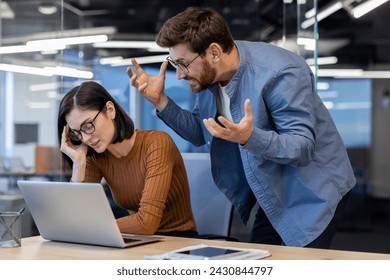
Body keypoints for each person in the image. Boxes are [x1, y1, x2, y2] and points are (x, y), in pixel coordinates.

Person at [127, 6, 356, 248]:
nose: (180, 76)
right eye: (174, 64)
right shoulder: (208, 78)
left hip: (313, 191)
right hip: (272, 189)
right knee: (261, 263)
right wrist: (160, 101)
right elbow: (200, 132)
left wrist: (250, 137)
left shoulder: (280, 73)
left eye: (183, 64)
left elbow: (302, 147)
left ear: (214, 52)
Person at [57, 81, 197, 237]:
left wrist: (91, 227)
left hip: (176, 240)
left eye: (88, 125)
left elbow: (146, 223)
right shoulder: (96, 156)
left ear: (110, 110)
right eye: (77, 133)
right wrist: (78, 165)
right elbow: (76, 219)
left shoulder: (156, 143)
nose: (86, 138)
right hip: (135, 238)